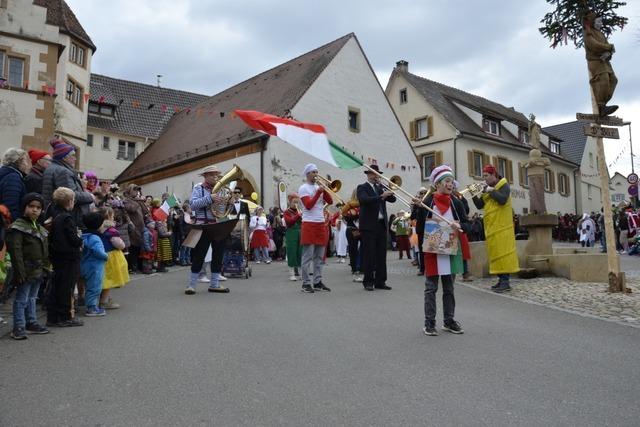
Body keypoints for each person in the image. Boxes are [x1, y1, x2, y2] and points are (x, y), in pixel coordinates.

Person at [421, 166, 468, 336]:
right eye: (447, 181)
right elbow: (419, 227)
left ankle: (449, 321)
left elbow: (467, 224)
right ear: (438, 183)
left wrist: (460, 225)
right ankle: (429, 322)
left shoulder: (457, 202)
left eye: (451, 181)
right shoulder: (427, 203)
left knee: (449, 288)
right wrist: (418, 209)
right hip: (432, 251)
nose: (451, 184)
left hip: (451, 249)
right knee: (430, 288)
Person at [6, 193, 50, 339]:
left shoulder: (39, 227)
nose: (35, 210)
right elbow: (16, 251)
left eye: (38, 207)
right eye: (31, 206)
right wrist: (20, 272)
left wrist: (46, 267)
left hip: (38, 270)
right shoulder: (18, 227)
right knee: (21, 299)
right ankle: (18, 326)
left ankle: (31, 322)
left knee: (32, 298)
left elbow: (44, 250)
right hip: (25, 269)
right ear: (24, 207)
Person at [472, 165, 520, 293]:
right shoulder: (488, 190)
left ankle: (506, 281)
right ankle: (501, 279)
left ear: (494, 175)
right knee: (496, 254)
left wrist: (489, 190)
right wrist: (473, 195)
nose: (485, 179)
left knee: (503, 253)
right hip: (492, 227)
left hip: (502, 227)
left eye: (486, 176)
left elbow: (502, 199)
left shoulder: (504, 185)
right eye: (484, 177)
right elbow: (479, 205)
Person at [184, 165, 230, 295]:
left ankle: (214, 284)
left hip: (218, 225)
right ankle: (191, 285)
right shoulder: (198, 188)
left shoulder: (221, 189)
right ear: (205, 176)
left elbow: (222, 211)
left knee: (218, 255)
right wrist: (210, 198)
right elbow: (193, 205)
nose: (215, 177)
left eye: (216, 174)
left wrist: (227, 202)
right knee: (199, 255)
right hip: (203, 225)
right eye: (211, 175)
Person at [46, 187, 84, 327]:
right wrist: (80, 239)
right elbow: (73, 239)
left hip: (57, 256)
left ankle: (53, 317)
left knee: (57, 286)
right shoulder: (67, 218)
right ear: (69, 201)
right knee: (66, 287)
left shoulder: (54, 215)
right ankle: (65, 317)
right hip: (68, 257)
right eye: (73, 200)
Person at [357, 164, 396, 291]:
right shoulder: (362, 187)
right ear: (368, 174)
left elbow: (393, 200)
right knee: (369, 254)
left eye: (377, 174)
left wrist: (388, 188)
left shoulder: (380, 188)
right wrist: (381, 197)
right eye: (373, 173)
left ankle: (381, 281)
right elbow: (364, 200)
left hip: (381, 225)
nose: (376, 176)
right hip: (368, 226)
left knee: (381, 255)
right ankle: (368, 281)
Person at [42, 138, 94, 229]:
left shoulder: (52, 168)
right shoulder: (63, 171)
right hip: (68, 217)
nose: (75, 158)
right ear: (64, 157)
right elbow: (71, 196)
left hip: (56, 214)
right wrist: (90, 196)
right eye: (73, 155)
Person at [297, 164, 332, 293]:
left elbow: (331, 201)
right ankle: (306, 283)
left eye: (317, 171)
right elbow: (309, 206)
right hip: (309, 223)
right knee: (307, 256)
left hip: (320, 223)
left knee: (319, 256)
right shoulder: (303, 188)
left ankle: (317, 281)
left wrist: (325, 189)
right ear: (307, 174)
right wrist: (318, 192)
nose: (316, 174)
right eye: (313, 172)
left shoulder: (319, 187)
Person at [583, 10, 618, 117]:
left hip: (605, 61)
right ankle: (601, 106)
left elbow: (609, 48)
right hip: (595, 61)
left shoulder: (601, 34)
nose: (600, 24)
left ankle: (603, 104)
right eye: (598, 22)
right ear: (593, 22)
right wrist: (609, 47)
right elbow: (594, 45)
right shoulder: (588, 33)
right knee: (604, 80)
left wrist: (609, 53)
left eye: (601, 22)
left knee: (613, 80)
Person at [98, 207, 129, 309]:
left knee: (102, 278)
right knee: (109, 279)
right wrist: (123, 245)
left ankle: (101, 298)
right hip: (111, 257)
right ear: (110, 217)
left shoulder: (97, 229)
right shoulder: (111, 231)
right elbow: (119, 244)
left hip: (100, 254)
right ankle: (104, 301)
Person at [80, 212, 108, 317]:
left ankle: (84, 302)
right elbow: (98, 252)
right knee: (94, 287)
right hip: (95, 266)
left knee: (86, 286)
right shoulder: (96, 238)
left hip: (84, 264)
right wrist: (106, 256)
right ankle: (92, 308)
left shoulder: (83, 235)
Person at [123, 184, 150, 273]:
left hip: (141, 227)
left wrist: (141, 201)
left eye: (137, 190)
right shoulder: (126, 200)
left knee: (140, 247)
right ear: (129, 191)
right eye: (134, 190)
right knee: (133, 248)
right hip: (133, 227)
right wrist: (138, 200)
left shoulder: (138, 201)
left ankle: (140, 266)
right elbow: (132, 209)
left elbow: (146, 211)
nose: (136, 192)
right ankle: (133, 267)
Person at [0, 148, 32, 222]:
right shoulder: (13, 177)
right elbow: (11, 205)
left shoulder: (5, 173)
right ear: (19, 161)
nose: (27, 164)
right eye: (25, 160)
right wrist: (16, 224)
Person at [283, 193, 302, 281]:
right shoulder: (286, 212)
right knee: (292, 253)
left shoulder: (299, 211)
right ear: (290, 202)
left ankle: (300, 273)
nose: (296, 204)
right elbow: (289, 222)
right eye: (294, 202)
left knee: (300, 253)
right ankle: (292, 274)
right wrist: (298, 215)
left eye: (297, 202)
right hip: (291, 233)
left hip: (300, 233)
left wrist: (302, 216)